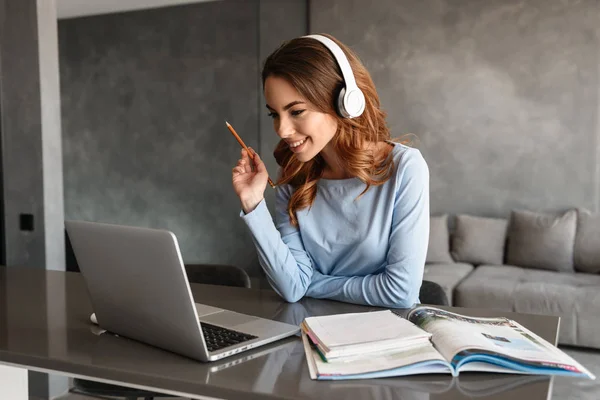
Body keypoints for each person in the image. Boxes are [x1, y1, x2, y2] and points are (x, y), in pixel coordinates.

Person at [231, 33, 430, 308]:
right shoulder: (292, 174)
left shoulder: (405, 168)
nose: (282, 130)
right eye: (274, 114)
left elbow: (400, 292)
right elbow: (291, 287)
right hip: (312, 332)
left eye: (296, 111)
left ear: (345, 102)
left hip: (389, 336)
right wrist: (253, 204)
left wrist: (312, 282)